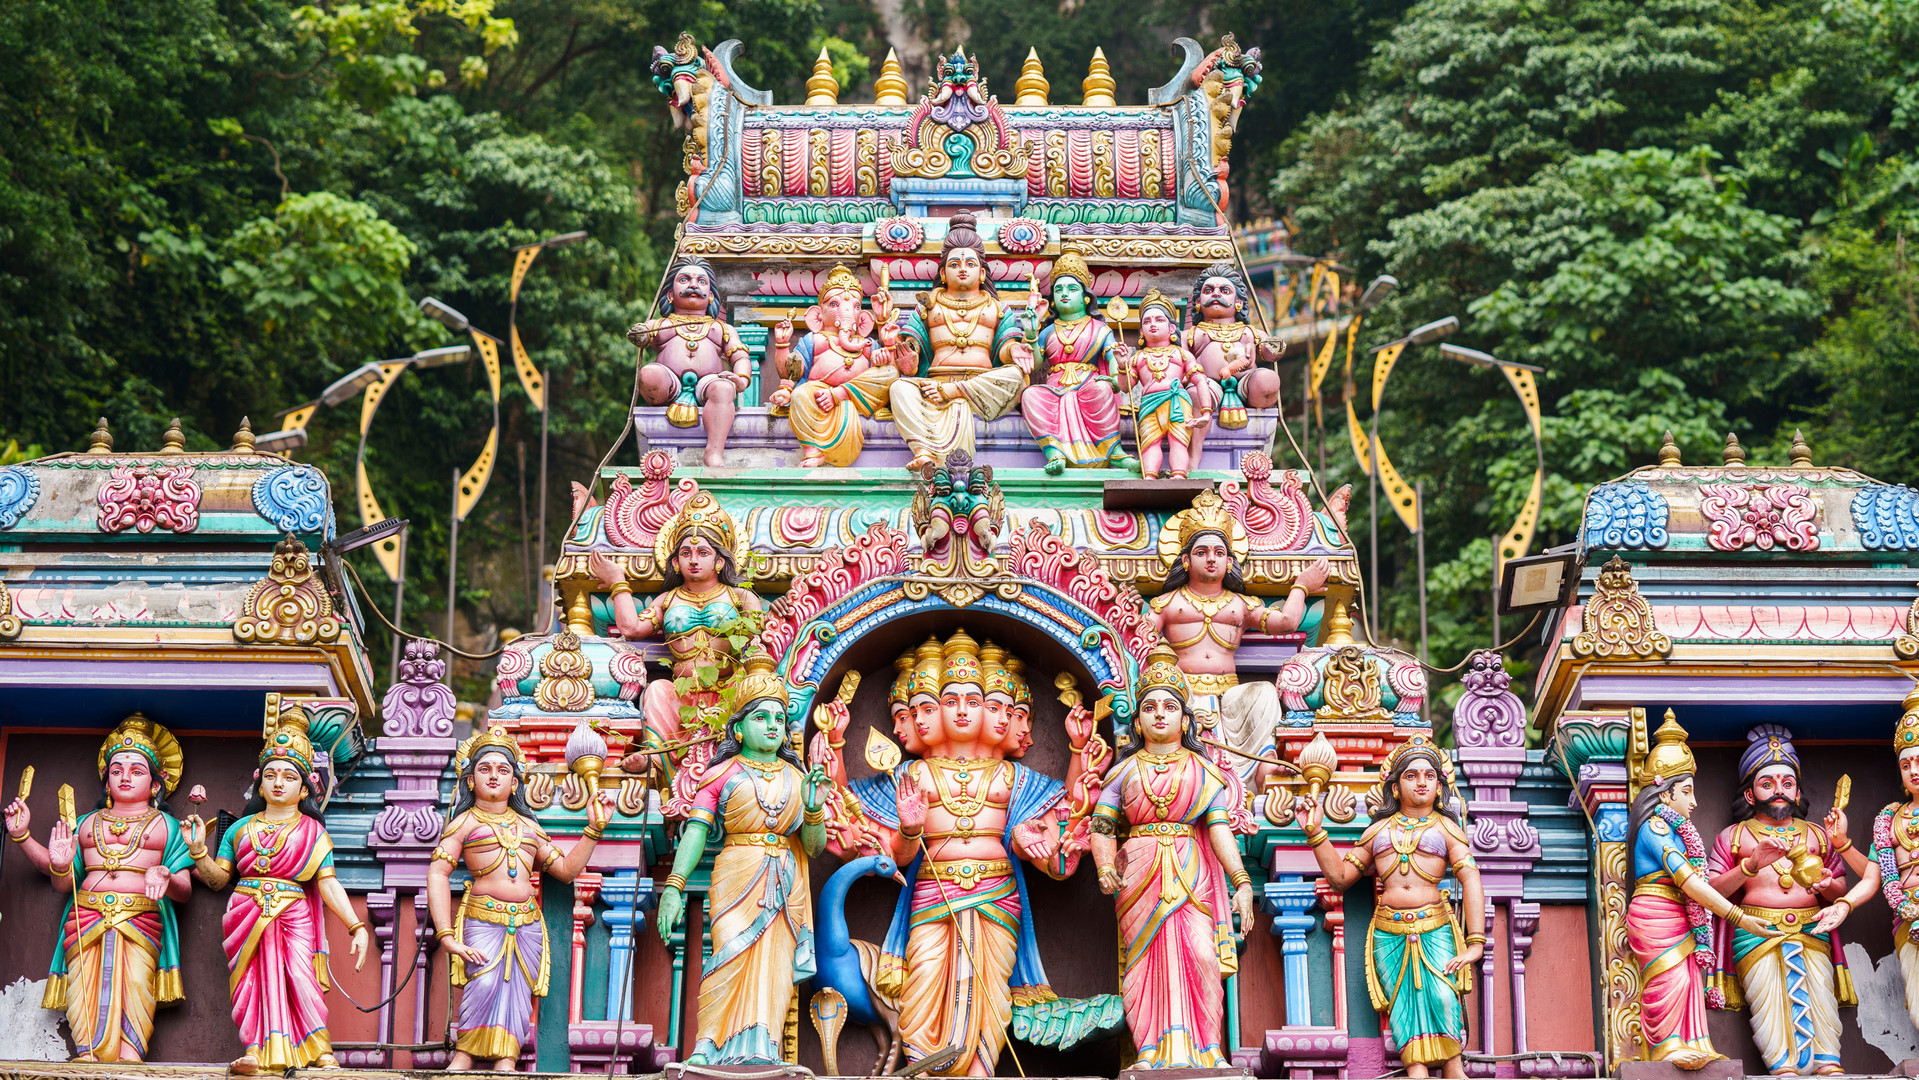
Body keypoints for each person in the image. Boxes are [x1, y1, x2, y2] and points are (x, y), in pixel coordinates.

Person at [818, 629, 1100, 1075]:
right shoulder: (914, 776)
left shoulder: (1013, 779)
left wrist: (1078, 753)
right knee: (924, 983)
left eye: (976, 700)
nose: (964, 710)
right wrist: (909, 826)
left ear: (1004, 715)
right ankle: (922, 1070)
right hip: (932, 894)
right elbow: (863, 831)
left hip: (997, 895)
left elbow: (1064, 825)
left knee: (987, 991)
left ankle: (978, 1073)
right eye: (949, 701)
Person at [656, 647, 829, 1063]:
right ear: (738, 728)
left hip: (786, 880)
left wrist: (813, 809)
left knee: (773, 966)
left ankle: (762, 1048)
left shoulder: (798, 777)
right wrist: (675, 887)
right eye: (760, 717)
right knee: (729, 953)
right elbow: (696, 831)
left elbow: (814, 848)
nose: (772, 726)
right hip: (737, 871)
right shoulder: (722, 774)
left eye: (779, 719)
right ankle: (707, 1046)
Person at [1090, 644, 1257, 1068]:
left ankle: (1208, 1049)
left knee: (1201, 953)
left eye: (1169, 706)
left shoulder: (1202, 770)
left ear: (1185, 721)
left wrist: (1241, 881)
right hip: (1139, 873)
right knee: (1144, 960)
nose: (1159, 713)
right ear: (1138, 720)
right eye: (1149, 707)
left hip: (1190, 868)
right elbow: (1102, 826)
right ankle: (1149, 1050)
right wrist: (1105, 865)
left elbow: (1218, 829)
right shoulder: (1123, 771)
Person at [184, 706, 370, 1074]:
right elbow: (220, 879)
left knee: (300, 978)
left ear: (305, 789)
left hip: (293, 911)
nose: (278, 783)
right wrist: (197, 852)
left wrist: (356, 925)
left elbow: (327, 882)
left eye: (288, 776)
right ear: (260, 783)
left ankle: (319, 1050)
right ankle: (255, 1049)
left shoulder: (312, 832)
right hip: (246, 911)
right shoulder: (239, 830)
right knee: (252, 980)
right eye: (270, 775)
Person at [5, 715, 192, 1063]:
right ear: (106, 780)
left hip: (141, 918)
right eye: (117, 769)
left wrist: (166, 876)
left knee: (136, 984)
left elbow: (185, 889)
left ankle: (129, 1055)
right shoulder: (87, 824)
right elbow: (63, 880)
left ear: (155, 784)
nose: (124, 776)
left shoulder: (165, 824)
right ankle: (88, 1053)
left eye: (137, 770)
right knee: (84, 986)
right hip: (86, 916)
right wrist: (25, 838)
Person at [1295, 736, 1484, 1077]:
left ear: (1440, 787)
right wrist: (1316, 833)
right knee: (1403, 1014)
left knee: (1444, 1001)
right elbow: (1340, 878)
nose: (1422, 781)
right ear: (1395, 788)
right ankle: (1417, 1072)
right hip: (1389, 933)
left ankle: (1455, 1070)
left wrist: (1475, 942)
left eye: (1429, 775)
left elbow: (1471, 878)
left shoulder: (1447, 828)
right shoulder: (1378, 830)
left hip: (1434, 928)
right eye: (1411, 776)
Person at [427, 724, 612, 1070]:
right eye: (484, 769)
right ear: (470, 781)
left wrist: (594, 830)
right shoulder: (464, 823)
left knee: (517, 993)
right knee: (481, 986)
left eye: (503, 770)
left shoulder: (529, 827)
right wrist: (446, 936)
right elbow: (438, 872)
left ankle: (506, 1059)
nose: (494, 776)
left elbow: (567, 871)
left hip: (525, 923)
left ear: (515, 783)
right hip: (484, 918)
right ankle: (465, 1054)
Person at [1626, 711, 1780, 1069]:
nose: (1694, 801)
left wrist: (1749, 866)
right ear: (1664, 793)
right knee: (1672, 977)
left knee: (1691, 976)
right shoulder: (1656, 829)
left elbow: (1703, 889)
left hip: (1679, 913)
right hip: (1656, 914)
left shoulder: (1676, 831)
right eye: (1686, 791)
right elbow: (1694, 885)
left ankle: (1695, 1040)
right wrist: (1741, 918)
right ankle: (1668, 1045)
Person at [1705, 724, 1858, 1076]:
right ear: (1749, 794)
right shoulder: (1735, 836)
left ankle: (1828, 1066)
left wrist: (1826, 883)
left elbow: (1842, 891)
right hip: (1757, 932)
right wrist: (1750, 865)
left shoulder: (1818, 834)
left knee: (1821, 998)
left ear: (1798, 791)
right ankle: (1783, 1069)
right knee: (1769, 1004)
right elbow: (1712, 892)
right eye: (1767, 783)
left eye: (1787, 784)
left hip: (1812, 930)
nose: (1779, 791)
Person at [1151, 489, 1329, 774]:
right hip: (1182, 692)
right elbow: (1137, 641)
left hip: (1230, 694)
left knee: (1265, 693)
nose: (1211, 559)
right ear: (1185, 560)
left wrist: (1301, 586)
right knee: (1160, 698)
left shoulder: (1241, 605)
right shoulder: (1167, 604)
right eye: (1201, 552)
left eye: (1219, 553)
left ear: (1230, 561)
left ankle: (1264, 769)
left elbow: (1286, 623)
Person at [590, 491, 762, 754]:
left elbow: (760, 640)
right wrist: (618, 582)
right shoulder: (668, 600)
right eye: (686, 552)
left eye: (703, 552)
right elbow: (631, 629)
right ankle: (657, 759)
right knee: (658, 689)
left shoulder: (740, 596)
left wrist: (780, 611)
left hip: (730, 692)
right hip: (683, 695)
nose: (693, 559)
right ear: (675, 561)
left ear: (718, 560)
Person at [891, 214, 1036, 468]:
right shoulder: (927, 306)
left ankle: (955, 392)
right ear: (943, 273)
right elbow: (912, 346)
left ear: (981, 273)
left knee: (1015, 376)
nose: (962, 268)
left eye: (970, 263)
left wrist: (1017, 350)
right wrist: (908, 359)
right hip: (933, 385)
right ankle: (923, 451)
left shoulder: (996, 307)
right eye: (954, 263)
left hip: (980, 385)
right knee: (899, 388)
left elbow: (1004, 348)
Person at [1820, 688, 1919, 1036]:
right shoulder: (1892, 818)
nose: (1913, 771)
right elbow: (1876, 877)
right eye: (1906, 764)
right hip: (1909, 920)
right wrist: (1844, 903)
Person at [768, 263, 911, 467]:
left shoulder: (867, 344)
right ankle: (813, 449)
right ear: (817, 316)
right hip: (819, 396)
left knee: (888, 373)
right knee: (800, 395)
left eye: (856, 306)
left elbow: (890, 374)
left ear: (863, 319)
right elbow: (791, 373)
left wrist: (886, 346)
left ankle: (841, 394)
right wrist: (782, 344)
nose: (847, 311)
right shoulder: (815, 340)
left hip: (857, 398)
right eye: (834, 305)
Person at [626, 256, 753, 467]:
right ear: (669, 294)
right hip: (670, 383)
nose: (693, 285)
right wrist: (641, 333)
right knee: (649, 374)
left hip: (709, 383)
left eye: (701, 281)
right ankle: (663, 407)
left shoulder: (720, 328)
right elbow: (643, 335)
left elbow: (740, 357)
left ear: (711, 296)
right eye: (684, 279)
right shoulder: (662, 324)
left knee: (723, 389)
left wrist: (740, 379)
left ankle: (713, 453)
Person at [1017, 252, 1135, 474]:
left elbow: (1113, 369)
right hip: (1055, 386)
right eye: (1059, 289)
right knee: (1030, 395)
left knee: (1101, 389)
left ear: (1086, 297)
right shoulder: (1048, 330)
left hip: (1089, 384)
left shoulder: (1100, 329)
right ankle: (1054, 453)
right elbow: (1033, 364)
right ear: (1051, 299)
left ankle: (1114, 452)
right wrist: (1032, 334)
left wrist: (1115, 375)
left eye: (1072, 289)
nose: (1064, 294)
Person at [1182, 262, 1283, 464]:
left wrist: (1269, 347)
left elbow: (1272, 350)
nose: (1216, 294)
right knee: (1196, 394)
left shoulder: (1249, 332)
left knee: (1268, 380)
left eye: (1224, 290)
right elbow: (1181, 359)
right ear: (1198, 303)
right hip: (1208, 384)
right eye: (1208, 290)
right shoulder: (1192, 334)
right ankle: (1194, 455)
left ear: (1238, 303)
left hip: (1246, 382)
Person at [1123, 290, 1208, 479]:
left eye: (1159, 320)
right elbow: (1125, 386)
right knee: (1149, 443)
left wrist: (1206, 412)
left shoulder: (1181, 354)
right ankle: (1149, 478)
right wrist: (1122, 365)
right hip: (1149, 404)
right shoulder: (1138, 357)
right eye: (1147, 321)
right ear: (1141, 331)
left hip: (1177, 402)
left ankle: (1178, 477)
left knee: (1178, 441)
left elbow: (1200, 380)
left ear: (1171, 329)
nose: (1152, 324)